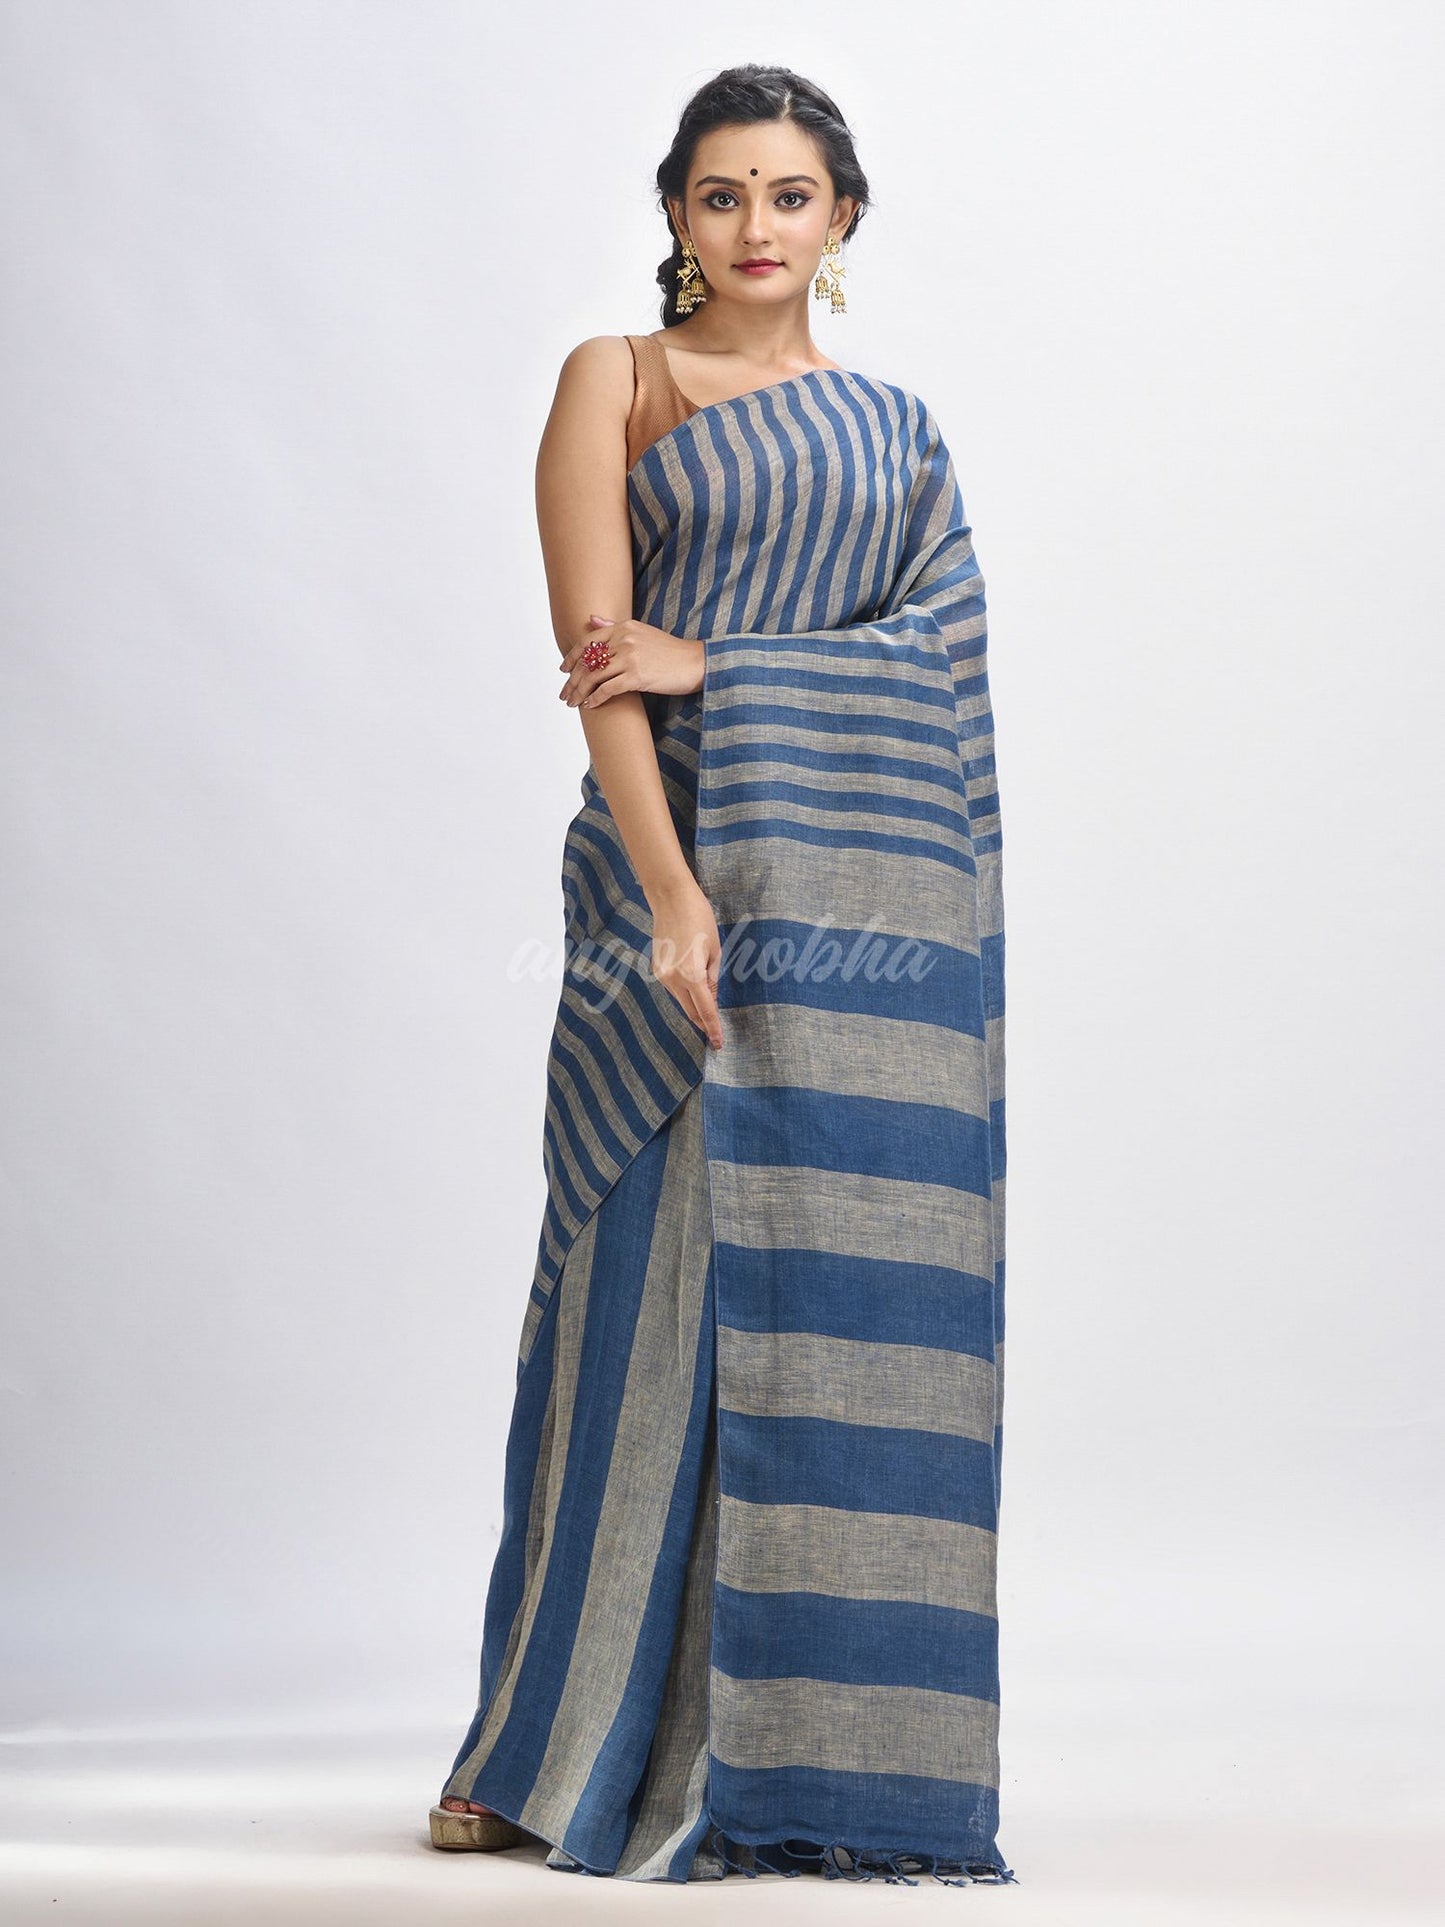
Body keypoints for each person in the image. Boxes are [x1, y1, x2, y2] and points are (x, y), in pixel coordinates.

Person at [428, 61, 1015, 1887]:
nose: (755, 225)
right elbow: (603, 664)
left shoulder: (897, 432)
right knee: (633, 1296)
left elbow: (940, 665)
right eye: (720, 194)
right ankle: (545, 1754)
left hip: (857, 920)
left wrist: (729, 666)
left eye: (789, 194)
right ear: (676, 213)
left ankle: (816, 1763)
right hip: (666, 881)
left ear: (842, 217)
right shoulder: (617, 380)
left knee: (837, 1300)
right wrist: (673, 896)